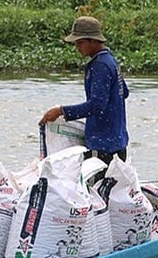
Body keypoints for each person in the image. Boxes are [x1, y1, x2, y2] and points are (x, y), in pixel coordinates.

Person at [38, 15, 130, 165]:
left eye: (80, 43)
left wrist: (62, 111)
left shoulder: (100, 66)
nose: (77, 47)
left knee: (95, 187)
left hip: (103, 147)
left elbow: (97, 106)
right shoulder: (110, 60)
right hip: (117, 142)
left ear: (93, 41)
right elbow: (124, 92)